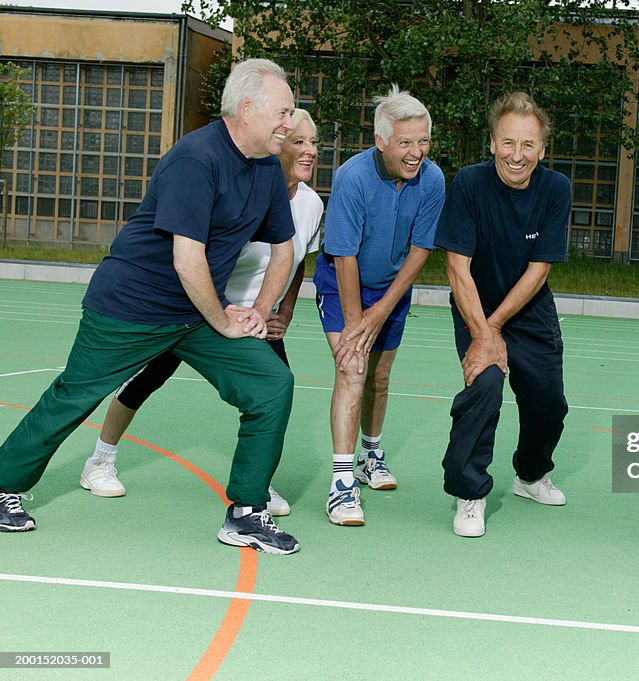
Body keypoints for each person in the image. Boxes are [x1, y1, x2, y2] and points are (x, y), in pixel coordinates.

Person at [0, 58, 302, 555]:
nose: (290, 123)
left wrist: (258, 312)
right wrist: (225, 319)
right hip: (130, 304)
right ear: (247, 109)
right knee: (74, 396)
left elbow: (284, 249)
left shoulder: (267, 167)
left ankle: (246, 513)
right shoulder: (196, 158)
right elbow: (188, 259)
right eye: (284, 112)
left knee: (271, 383)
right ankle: (4, 486)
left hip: (196, 310)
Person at [78, 108, 325, 517]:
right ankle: (100, 459)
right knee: (144, 380)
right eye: (299, 141)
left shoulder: (312, 204)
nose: (310, 150)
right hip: (200, 306)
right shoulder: (241, 188)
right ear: (275, 143)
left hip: (253, 318)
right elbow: (201, 257)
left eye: (314, 141)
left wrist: (279, 312)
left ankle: (255, 488)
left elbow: (297, 261)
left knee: (273, 390)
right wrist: (221, 312)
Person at [435, 91, 572, 538]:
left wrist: (496, 329)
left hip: (529, 310)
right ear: (492, 143)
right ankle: (469, 491)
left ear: (542, 151)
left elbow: (540, 269)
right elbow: (457, 267)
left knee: (549, 404)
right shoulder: (469, 184)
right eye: (508, 143)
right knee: (486, 384)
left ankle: (530, 476)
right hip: (475, 302)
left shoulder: (555, 189)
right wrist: (483, 332)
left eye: (528, 145)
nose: (517, 155)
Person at [312, 84, 444, 526]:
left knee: (380, 376)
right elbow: (344, 255)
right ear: (381, 141)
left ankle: (371, 455)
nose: (416, 152)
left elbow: (421, 251)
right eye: (405, 142)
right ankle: (341, 482)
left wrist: (380, 311)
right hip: (342, 280)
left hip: (390, 288)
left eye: (423, 141)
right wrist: (357, 325)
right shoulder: (352, 178)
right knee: (353, 367)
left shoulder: (433, 180)